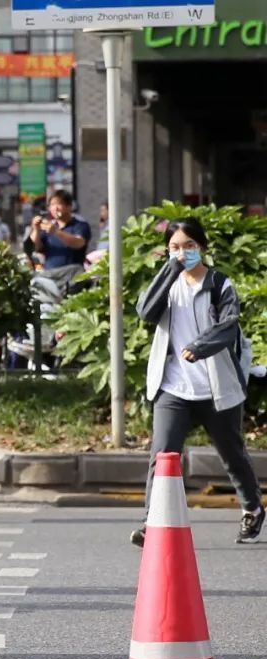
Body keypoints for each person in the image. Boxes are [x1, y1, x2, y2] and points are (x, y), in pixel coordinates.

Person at [131, 217, 262, 547]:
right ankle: (152, 522)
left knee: (231, 454)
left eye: (189, 246)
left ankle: (252, 508)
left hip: (216, 386)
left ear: (202, 247)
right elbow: (145, 311)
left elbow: (229, 325)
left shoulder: (220, 284)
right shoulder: (168, 284)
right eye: (175, 247)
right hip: (173, 386)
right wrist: (170, 271)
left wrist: (199, 347)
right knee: (162, 455)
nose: (183, 253)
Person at [29, 190, 91, 270]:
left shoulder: (80, 225)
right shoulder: (48, 226)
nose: (55, 208)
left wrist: (56, 232)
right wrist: (36, 229)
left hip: (72, 276)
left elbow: (79, 243)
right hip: (51, 275)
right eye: (52, 205)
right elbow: (35, 247)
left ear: (69, 206)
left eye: (59, 204)